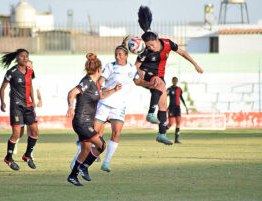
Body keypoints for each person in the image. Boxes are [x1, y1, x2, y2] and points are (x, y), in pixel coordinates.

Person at [134, 6, 203, 145]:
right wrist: (140, 72)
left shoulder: (167, 44)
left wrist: (195, 64)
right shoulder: (145, 51)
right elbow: (136, 67)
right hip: (143, 76)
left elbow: (182, 52)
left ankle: (161, 134)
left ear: (157, 39)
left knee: (164, 104)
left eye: (152, 45)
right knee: (159, 83)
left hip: (158, 78)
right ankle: (150, 113)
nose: (151, 48)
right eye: (148, 46)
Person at [66, 53, 122, 186]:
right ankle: (84, 167)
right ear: (99, 70)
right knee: (101, 145)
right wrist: (70, 107)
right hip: (81, 121)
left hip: (86, 122)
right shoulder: (87, 81)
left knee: (86, 150)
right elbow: (72, 92)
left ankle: (73, 176)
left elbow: (100, 96)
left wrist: (114, 90)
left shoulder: (96, 84)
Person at [94, 36, 139, 172]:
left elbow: (138, 81)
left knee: (116, 133)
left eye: (120, 54)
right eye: (116, 54)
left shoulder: (132, 69)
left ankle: (106, 163)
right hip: (105, 102)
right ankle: (84, 155)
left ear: (126, 55)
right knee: (94, 132)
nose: (118, 57)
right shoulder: (110, 66)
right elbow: (99, 81)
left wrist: (151, 83)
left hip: (120, 105)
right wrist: (100, 88)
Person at [0, 49, 39, 171]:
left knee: (35, 131)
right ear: (17, 58)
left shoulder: (30, 71)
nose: (25, 58)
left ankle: (27, 155)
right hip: (16, 106)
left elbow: (30, 85)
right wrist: (3, 102)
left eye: (27, 56)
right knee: (16, 134)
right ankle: (9, 158)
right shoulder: (11, 72)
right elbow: (2, 88)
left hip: (28, 105)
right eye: (22, 56)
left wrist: (33, 100)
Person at [13, 60, 42, 157]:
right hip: (20, 108)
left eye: (31, 66)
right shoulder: (18, 78)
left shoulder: (35, 80)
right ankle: (15, 142)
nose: (30, 68)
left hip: (30, 108)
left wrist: (39, 99)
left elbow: (37, 91)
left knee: (32, 130)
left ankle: (30, 153)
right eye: (28, 66)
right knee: (19, 132)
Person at [167, 77, 188, 143]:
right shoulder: (169, 89)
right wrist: (165, 106)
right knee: (170, 124)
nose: (175, 82)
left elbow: (181, 98)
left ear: (177, 81)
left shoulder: (179, 89)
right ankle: (162, 132)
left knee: (178, 123)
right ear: (172, 81)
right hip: (171, 108)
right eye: (174, 80)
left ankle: (176, 139)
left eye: (176, 80)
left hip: (178, 108)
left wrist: (186, 107)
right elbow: (164, 97)